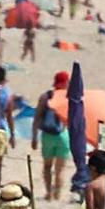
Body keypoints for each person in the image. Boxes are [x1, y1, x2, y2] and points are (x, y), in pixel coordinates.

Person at [31, 72, 72, 201]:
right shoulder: (69, 98)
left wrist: (34, 137)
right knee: (60, 170)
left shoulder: (46, 97)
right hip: (63, 135)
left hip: (48, 136)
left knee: (47, 166)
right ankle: (57, 194)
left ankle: (48, 192)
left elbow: (37, 118)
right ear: (67, 83)